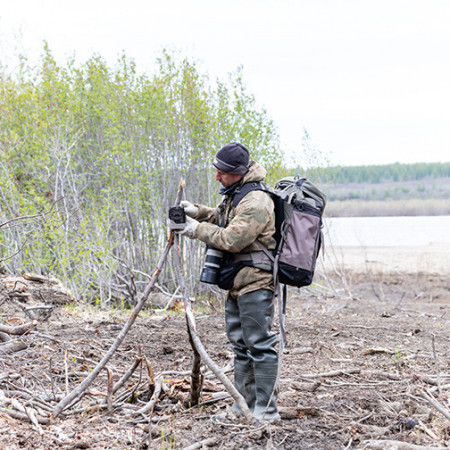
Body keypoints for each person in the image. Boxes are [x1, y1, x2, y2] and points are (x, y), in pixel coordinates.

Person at [172, 142, 280, 421]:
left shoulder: (257, 201)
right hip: (237, 284)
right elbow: (224, 219)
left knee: (259, 345)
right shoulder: (238, 193)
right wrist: (197, 211)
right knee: (241, 346)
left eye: (221, 172)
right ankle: (242, 408)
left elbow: (232, 238)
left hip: (256, 283)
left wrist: (196, 230)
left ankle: (266, 411)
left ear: (236, 172)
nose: (217, 176)